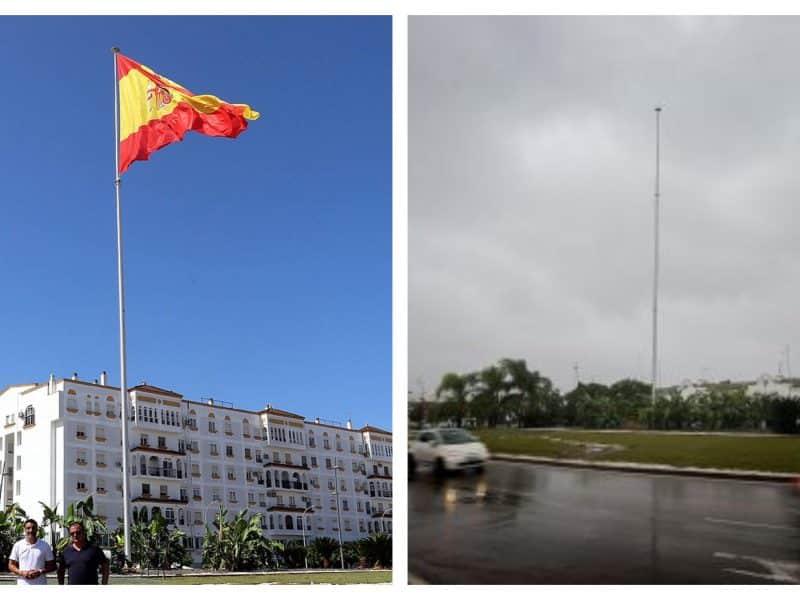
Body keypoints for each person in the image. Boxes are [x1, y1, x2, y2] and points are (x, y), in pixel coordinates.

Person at [8, 518, 57, 585]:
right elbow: (11, 565)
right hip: (22, 585)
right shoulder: (18, 545)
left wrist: (40, 571)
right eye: (28, 528)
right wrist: (22, 572)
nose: (31, 530)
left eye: (33, 528)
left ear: (37, 529)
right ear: (24, 529)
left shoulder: (45, 546)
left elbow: (52, 566)